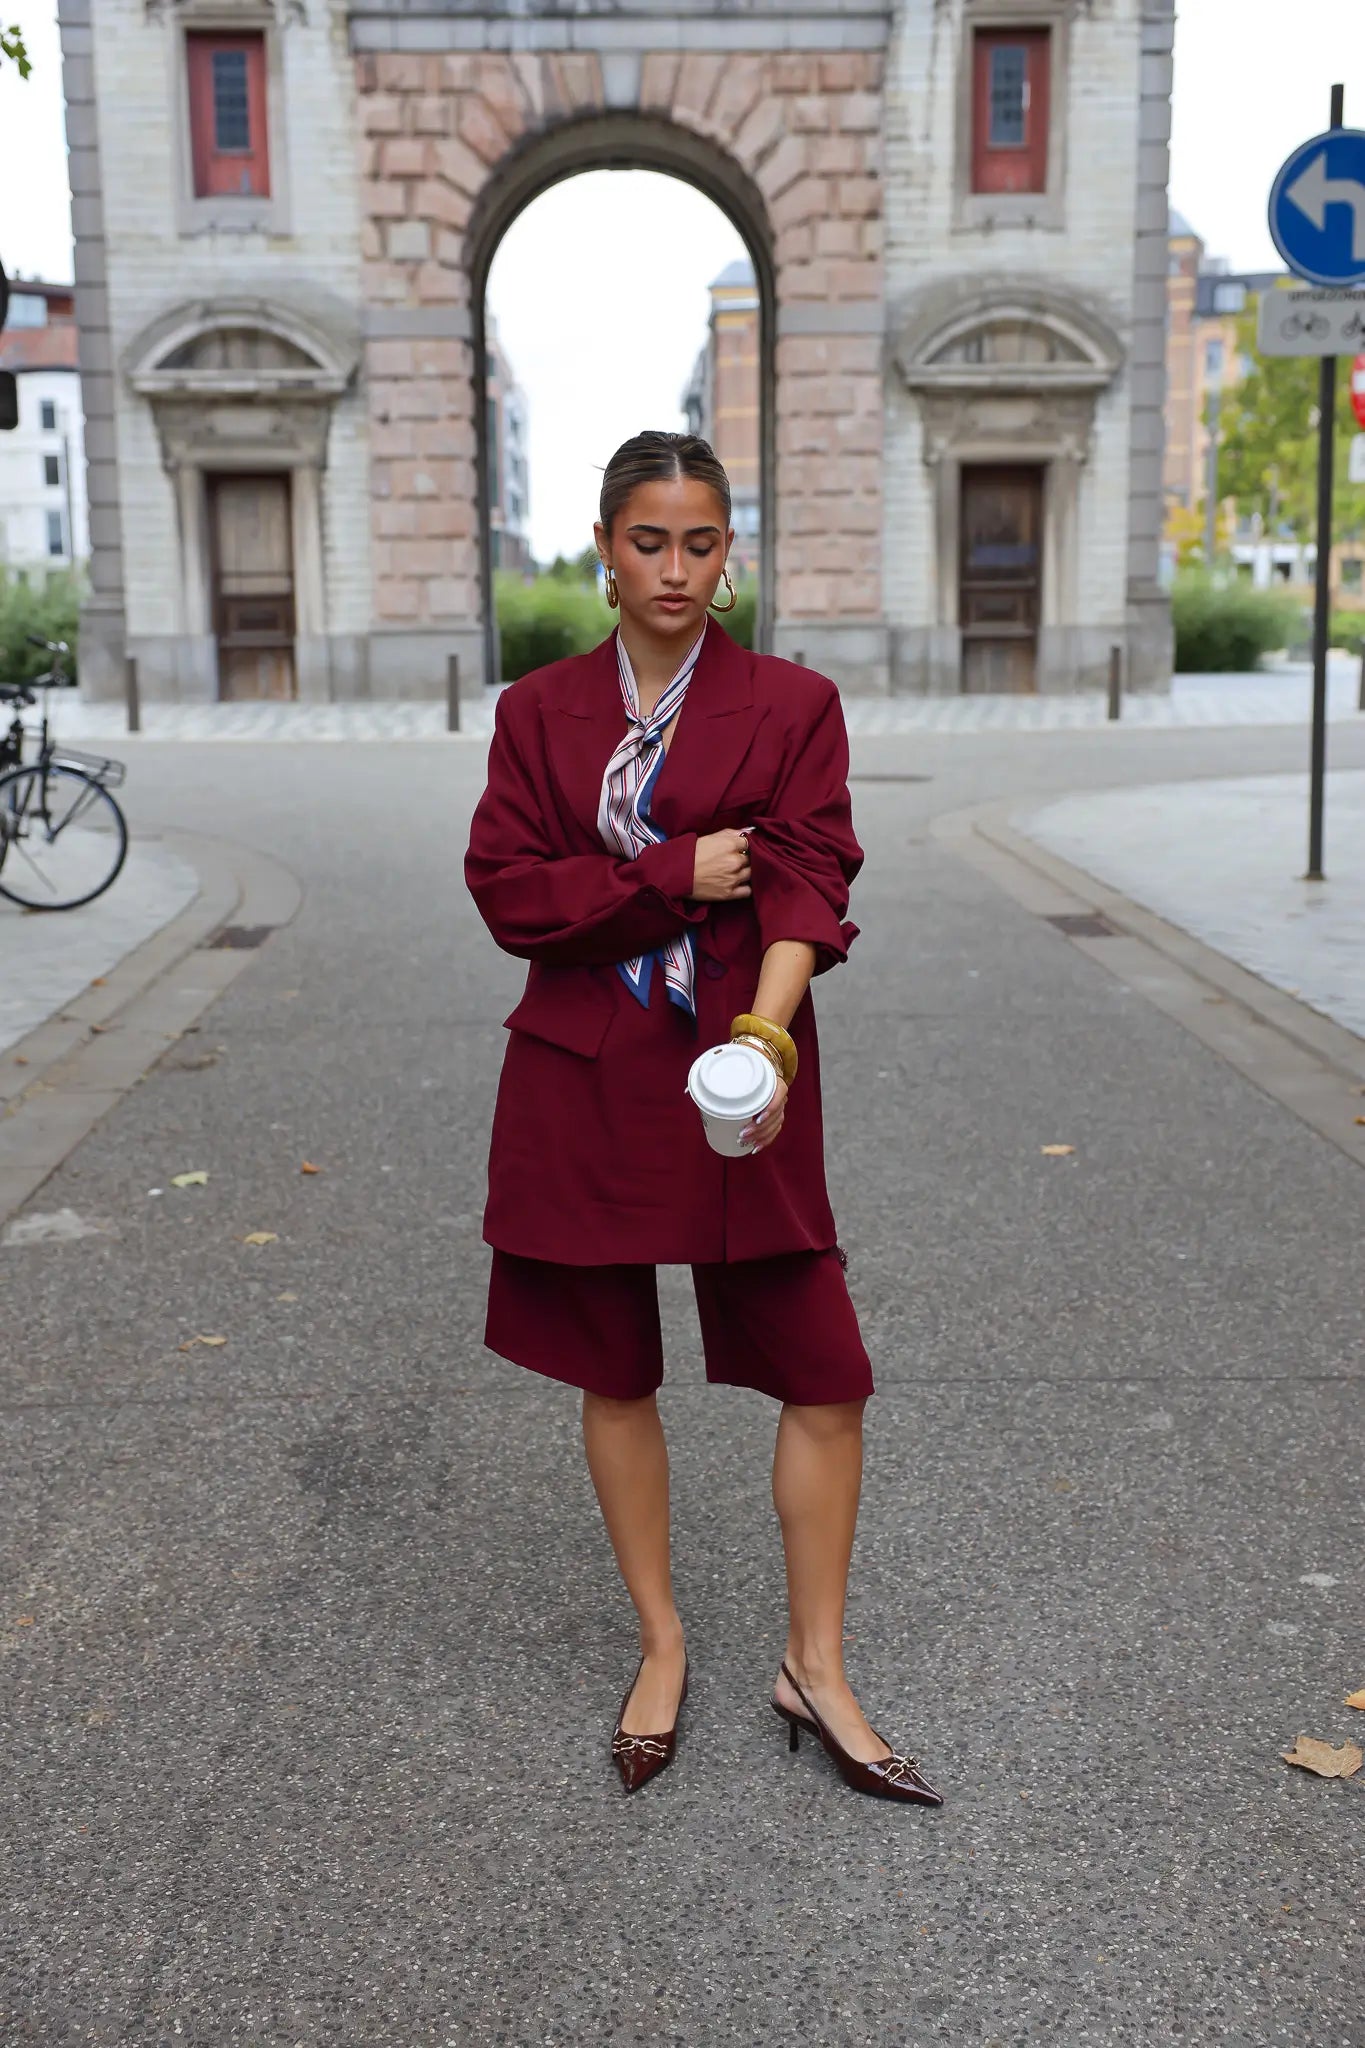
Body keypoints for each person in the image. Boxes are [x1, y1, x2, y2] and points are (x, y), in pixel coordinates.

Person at [465, 430, 940, 1808]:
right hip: (580, 1067)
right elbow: (510, 895)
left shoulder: (792, 703)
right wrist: (676, 870)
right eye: (648, 541)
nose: (674, 567)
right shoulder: (535, 711)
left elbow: (806, 877)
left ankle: (817, 1664)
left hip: (743, 1065)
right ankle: (661, 1644)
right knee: (614, 1365)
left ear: (728, 555)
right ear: (603, 550)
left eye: (700, 541)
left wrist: (761, 1034)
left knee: (824, 1369)